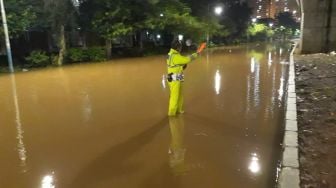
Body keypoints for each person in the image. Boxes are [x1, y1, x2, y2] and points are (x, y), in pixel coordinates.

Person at [167, 39, 198, 116]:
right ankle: (171, 114)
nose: (181, 48)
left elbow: (179, 63)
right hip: (174, 77)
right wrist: (194, 55)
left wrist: (182, 66)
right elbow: (186, 59)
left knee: (180, 95)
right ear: (177, 47)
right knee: (174, 96)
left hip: (178, 76)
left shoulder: (173, 54)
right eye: (180, 46)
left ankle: (179, 110)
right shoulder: (174, 56)